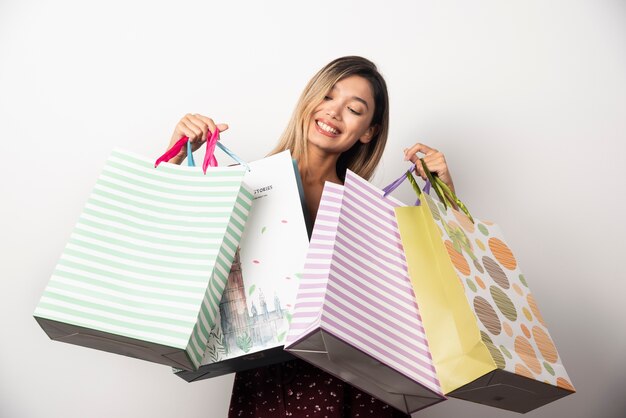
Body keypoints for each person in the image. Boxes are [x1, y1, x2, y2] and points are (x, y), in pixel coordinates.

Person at [166, 56, 455, 418]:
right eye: (327, 96)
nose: (334, 113)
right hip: (272, 386)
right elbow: (170, 249)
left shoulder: (373, 212)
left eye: (353, 108)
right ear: (308, 102)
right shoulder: (246, 186)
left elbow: (437, 295)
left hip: (365, 389)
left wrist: (446, 198)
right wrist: (175, 157)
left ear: (368, 131)